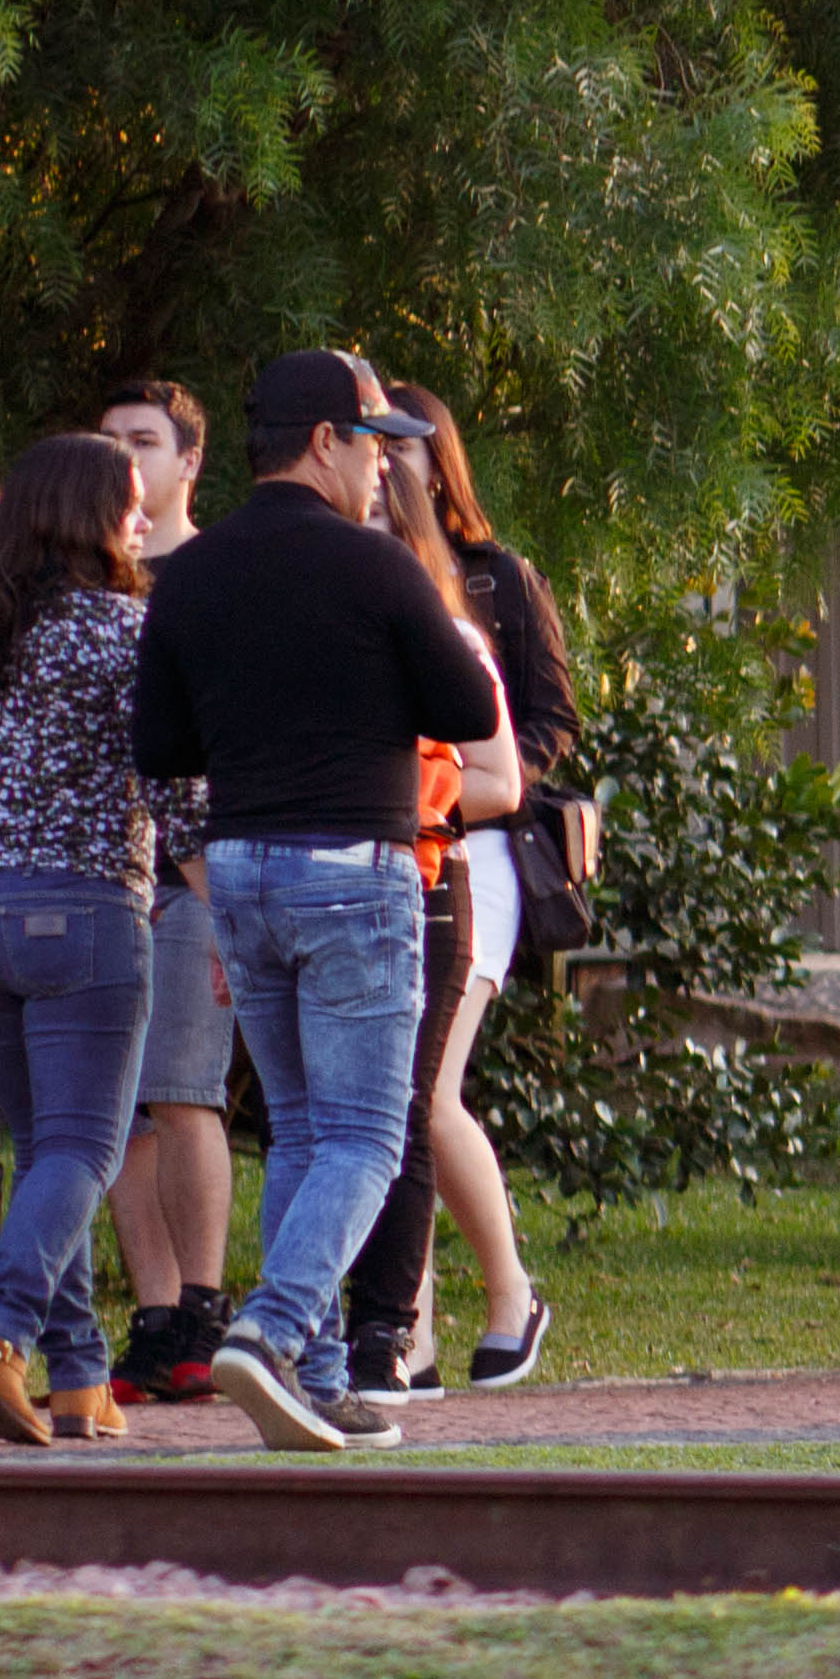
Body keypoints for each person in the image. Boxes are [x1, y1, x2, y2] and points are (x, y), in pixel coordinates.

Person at [135, 351, 504, 1447]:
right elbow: (467, 709)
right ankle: (273, 1326)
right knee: (368, 1136)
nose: (385, 466)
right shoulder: (376, 567)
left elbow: (160, 745)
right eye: (373, 444)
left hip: (242, 873)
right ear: (325, 441)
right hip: (354, 868)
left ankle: (320, 1374)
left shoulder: (192, 572)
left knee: (298, 1129)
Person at [0, 438, 158, 1441]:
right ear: (89, 517)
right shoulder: (125, 632)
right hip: (82, 912)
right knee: (83, 1147)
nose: (143, 524)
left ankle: (80, 1378)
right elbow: (171, 777)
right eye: (130, 505)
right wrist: (211, 898)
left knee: (44, 1150)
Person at [376, 382, 570, 1388]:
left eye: (398, 447)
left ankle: (507, 1293)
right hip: (377, 858)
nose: (378, 464)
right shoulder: (337, 578)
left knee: (423, 1091)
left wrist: (463, 784)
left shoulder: (497, 580)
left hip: (476, 853)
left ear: (434, 463)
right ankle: (405, 1327)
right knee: (391, 1100)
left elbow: (549, 722)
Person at [338, 449, 529, 1403]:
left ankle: (401, 1331)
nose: (360, 546)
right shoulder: (315, 632)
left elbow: (501, 779)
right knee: (349, 1112)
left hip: (434, 881)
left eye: (378, 529)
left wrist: (401, 801)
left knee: (407, 1105)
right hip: (333, 887)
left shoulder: (448, 637)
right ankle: (393, 1330)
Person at [90, 382, 233, 1407]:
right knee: (115, 1116)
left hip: (194, 875)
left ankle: (203, 1312)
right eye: (108, 442)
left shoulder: (219, 574)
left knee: (183, 1092)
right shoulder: (79, 578)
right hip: (98, 880)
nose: (125, 459)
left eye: (144, 441)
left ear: (189, 462)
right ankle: (152, 1317)